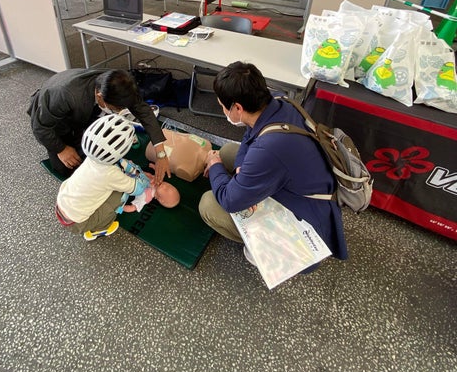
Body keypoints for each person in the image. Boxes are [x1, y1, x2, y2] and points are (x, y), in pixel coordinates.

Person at [198, 61, 348, 268]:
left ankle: (269, 250)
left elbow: (229, 200)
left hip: (305, 228)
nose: (223, 111)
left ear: (238, 108)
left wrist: (214, 163)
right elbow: (249, 135)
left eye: (223, 106)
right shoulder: (278, 101)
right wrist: (241, 169)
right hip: (307, 191)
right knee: (229, 152)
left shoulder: (269, 148)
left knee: (209, 204)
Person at [28, 67, 171, 184]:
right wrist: (61, 149)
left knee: (102, 152)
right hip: (53, 121)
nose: (119, 112)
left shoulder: (122, 84)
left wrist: (161, 154)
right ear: (100, 96)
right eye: (116, 109)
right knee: (70, 166)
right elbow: (40, 127)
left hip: (83, 111)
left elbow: (144, 112)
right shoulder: (65, 95)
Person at [56, 114, 179, 241]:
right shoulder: (112, 174)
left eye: (167, 190)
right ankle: (100, 229)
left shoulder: (91, 157)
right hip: (77, 223)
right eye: (169, 187)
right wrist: (141, 178)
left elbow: (130, 178)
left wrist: (140, 175)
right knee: (119, 196)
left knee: (111, 189)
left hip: (62, 202)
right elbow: (136, 187)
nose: (166, 186)